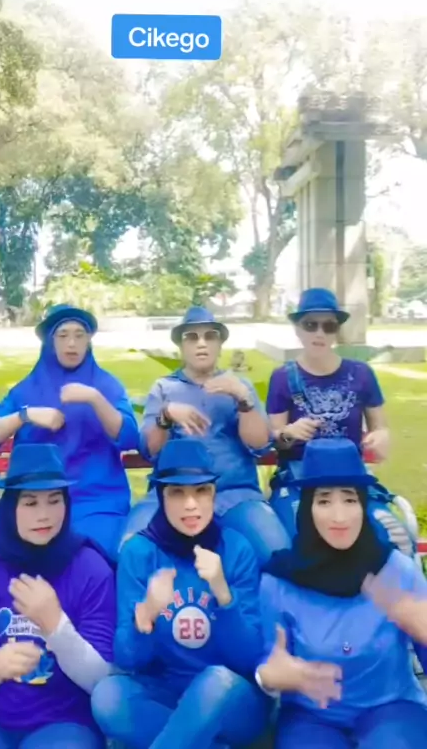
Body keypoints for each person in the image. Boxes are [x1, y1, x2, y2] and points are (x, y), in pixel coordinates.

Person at [92, 437, 274, 749]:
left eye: (201, 491)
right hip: (166, 692)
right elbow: (129, 659)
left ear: (214, 493)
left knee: (216, 682)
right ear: (161, 496)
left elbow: (249, 658)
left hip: (232, 699)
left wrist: (223, 594)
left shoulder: (235, 549)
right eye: (177, 492)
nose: (191, 504)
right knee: (108, 697)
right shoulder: (140, 552)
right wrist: (146, 616)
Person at [256, 437, 427, 749]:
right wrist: (270, 677)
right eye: (324, 501)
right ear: (307, 508)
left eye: (349, 500)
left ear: (363, 504)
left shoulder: (396, 570)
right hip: (311, 718)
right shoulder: (279, 581)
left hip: (392, 709)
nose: (339, 517)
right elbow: (269, 667)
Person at [0, 443, 116, 749]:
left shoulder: (92, 570)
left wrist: (56, 627)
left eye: (54, 500)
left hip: (63, 722)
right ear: (10, 507)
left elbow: (102, 681)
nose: (44, 515)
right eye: (30, 502)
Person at [122, 306, 290, 568]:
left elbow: (259, 445)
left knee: (277, 552)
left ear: (220, 345)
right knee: (129, 550)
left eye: (210, 336)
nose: (201, 343)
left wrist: (243, 400)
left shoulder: (239, 386)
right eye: (191, 337)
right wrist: (166, 415)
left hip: (235, 493)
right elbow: (150, 451)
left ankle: (248, 595)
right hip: (173, 493)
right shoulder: (164, 388)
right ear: (181, 346)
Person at [0, 304, 139, 562]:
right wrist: (25, 415)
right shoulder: (26, 390)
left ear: (89, 341)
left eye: (79, 335)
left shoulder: (107, 386)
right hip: (30, 500)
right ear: (50, 342)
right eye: (63, 335)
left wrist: (96, 399)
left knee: (94, 560)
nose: (72, 343)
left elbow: (129, 438)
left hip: (94, 501)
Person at [266, 287, 411, 551]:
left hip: (350, 478)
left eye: (329, 326)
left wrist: (380, 437)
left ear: (337, 330)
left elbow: (380, 427)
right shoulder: (283, 377)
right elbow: (275, 438)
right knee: (294, 543)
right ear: (298, 329)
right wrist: (289, 432)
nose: (319, 333)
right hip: (300, 477)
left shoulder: (361, 373)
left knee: (393, 537)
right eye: (310, 325)